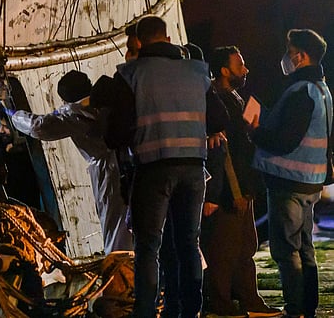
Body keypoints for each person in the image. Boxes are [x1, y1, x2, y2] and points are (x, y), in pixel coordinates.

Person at [113, 16, 222, 318]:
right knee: (188, 243)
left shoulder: (130, 74)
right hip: (193, 168)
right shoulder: (198, 71)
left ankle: (146, 311)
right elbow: (219, 118)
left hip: (153, 168)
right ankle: (189, 311)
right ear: (167, 37)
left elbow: (117, 132)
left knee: (149, 246)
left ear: (139, 41)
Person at [5, 70, 133, 254]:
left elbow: (38, 127)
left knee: (114, 222)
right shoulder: (110, 100)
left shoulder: (74, 113)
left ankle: (119, 267)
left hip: (107, 171)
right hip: (132, 161)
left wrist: (14, 114)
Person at [251, 29, 330, 318]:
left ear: (300, 55)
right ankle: (307, 308)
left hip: (289, 182)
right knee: (305, 248)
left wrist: (256, 132)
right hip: (311, 181)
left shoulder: (301, 91)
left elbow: (286, 140)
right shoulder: (322, 90)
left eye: (289, 50)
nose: (286, 57)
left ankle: (295, 309)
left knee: (287, 251)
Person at [201, 46, 281, 317]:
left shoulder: (233, 97)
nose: (246, 70)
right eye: (240, 65)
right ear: (224, 70)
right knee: (224, 250)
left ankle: (248, 300)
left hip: (243, 188)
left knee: (245, 247)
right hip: (229, 191)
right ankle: (221, 303)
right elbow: (223, 153)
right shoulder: (216, 100)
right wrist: (234, 191)